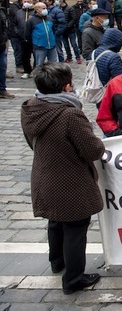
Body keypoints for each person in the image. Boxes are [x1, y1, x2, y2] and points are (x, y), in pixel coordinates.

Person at [21, 62, 104, 294]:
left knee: (55, 222)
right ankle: (74, 279)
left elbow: (32, 143)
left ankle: (57, 261)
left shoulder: (30, 107)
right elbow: (93, 151)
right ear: (67, 86)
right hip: (71, 182)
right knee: (76, 228)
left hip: (44, 175)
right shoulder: (70, 115)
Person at [25, 2, 59, 70]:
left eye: (46, 8)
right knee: (39, 65)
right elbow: (27, 34)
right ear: (37, 10)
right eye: (43, 8)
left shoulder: (49, 18)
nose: (45, 10)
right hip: (39, 46)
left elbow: (53, 29)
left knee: (54, 64)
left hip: (51, 46)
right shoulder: (31, 20)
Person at [0, 0, 13, 98]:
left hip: (1, 45)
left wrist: (3, 39)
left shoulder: (1, 13)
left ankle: (2, 90)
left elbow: (4, 27)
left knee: (2, 68)